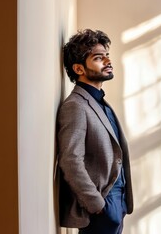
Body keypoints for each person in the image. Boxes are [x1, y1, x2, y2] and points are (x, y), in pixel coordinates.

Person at [57, 29, 133, 234]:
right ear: (79, 68)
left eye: (107, 55)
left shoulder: (100, 103)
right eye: (98, 58)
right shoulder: (75, 106)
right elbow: (70, 160)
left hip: (117, 203)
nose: (107, 61)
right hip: (101, 208)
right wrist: (97, 205)